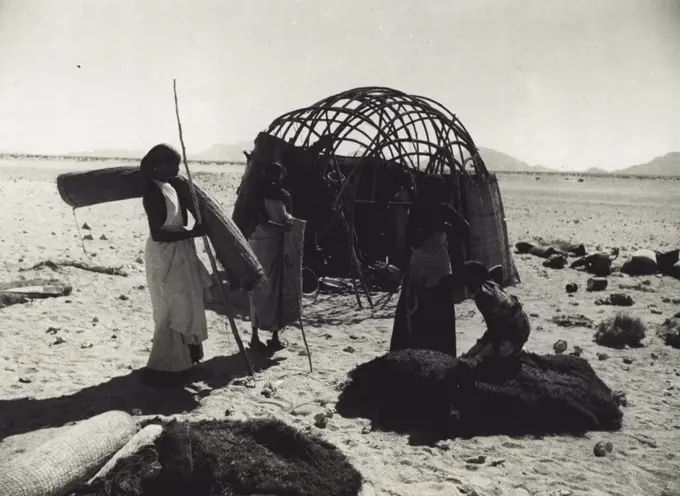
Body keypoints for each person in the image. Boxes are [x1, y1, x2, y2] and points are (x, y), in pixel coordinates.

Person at [140, 144, 212, 387]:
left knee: (187, 303)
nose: (177, 169)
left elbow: (181, 221)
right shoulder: (152, 190)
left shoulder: (171, 187)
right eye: (173, 164)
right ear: (158, 165)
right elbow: (159, 234)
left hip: (181, 251)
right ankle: (165, 365)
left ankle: (186, 360)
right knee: (171, 306)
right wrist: (191, 235)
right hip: (164, 254)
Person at [390, 174, 469, 357]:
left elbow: (465, 228)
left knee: (436, 314)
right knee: (418, 312)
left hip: (439, 270)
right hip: (420, 268)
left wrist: (450, 230)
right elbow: (411, 241)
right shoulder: (417, 211)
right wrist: (433, 228)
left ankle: (438, 355)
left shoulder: (444, 210)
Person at [248, 160, 297, 352]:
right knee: (259, 288)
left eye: (279, 175)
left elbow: (288, 217)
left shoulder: (285, 196)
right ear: (266, 176)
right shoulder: (258, 195)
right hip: (261, 244)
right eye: (272, 175)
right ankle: (254, 335)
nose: (275, 179)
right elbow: (263, 219)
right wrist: (282, 227)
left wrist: (290, 222)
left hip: (279, 244)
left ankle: (275, 335)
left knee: (277, 289)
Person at [460, 260, 531, 365]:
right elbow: (499, 268)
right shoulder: (489, 284)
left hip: (515, 329)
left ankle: (519, 350)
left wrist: (482, 352)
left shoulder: (483, 298)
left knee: (485, 358)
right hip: (519, 324)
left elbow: (499, 327)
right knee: (476, 351)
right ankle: (515, 349)